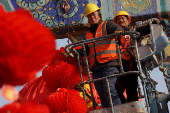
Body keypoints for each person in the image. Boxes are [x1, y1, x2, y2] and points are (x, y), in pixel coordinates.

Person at [76, 3, 124, 108]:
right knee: (102, 94)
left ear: (99, 14)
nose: (92, 17)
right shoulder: (87, 34)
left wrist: (118, 32)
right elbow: (84, 50)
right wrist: (72, 53)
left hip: (110, 65)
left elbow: (119, 29)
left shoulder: (107, 25)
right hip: (96, 69)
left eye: (94, 14)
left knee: (110, 90)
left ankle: (118, 110)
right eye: (89, 16)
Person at [113, 11, 139, 103]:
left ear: (128, 20)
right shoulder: (114, 34)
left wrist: (156, 22)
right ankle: (123, 106)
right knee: (115, 88)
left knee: (131, 87)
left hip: (130, 62)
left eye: (122, 18)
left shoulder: (134, 29)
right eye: (118, 19)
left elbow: (145, 29)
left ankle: (133, 107)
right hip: (118, 64)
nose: (120, 20)